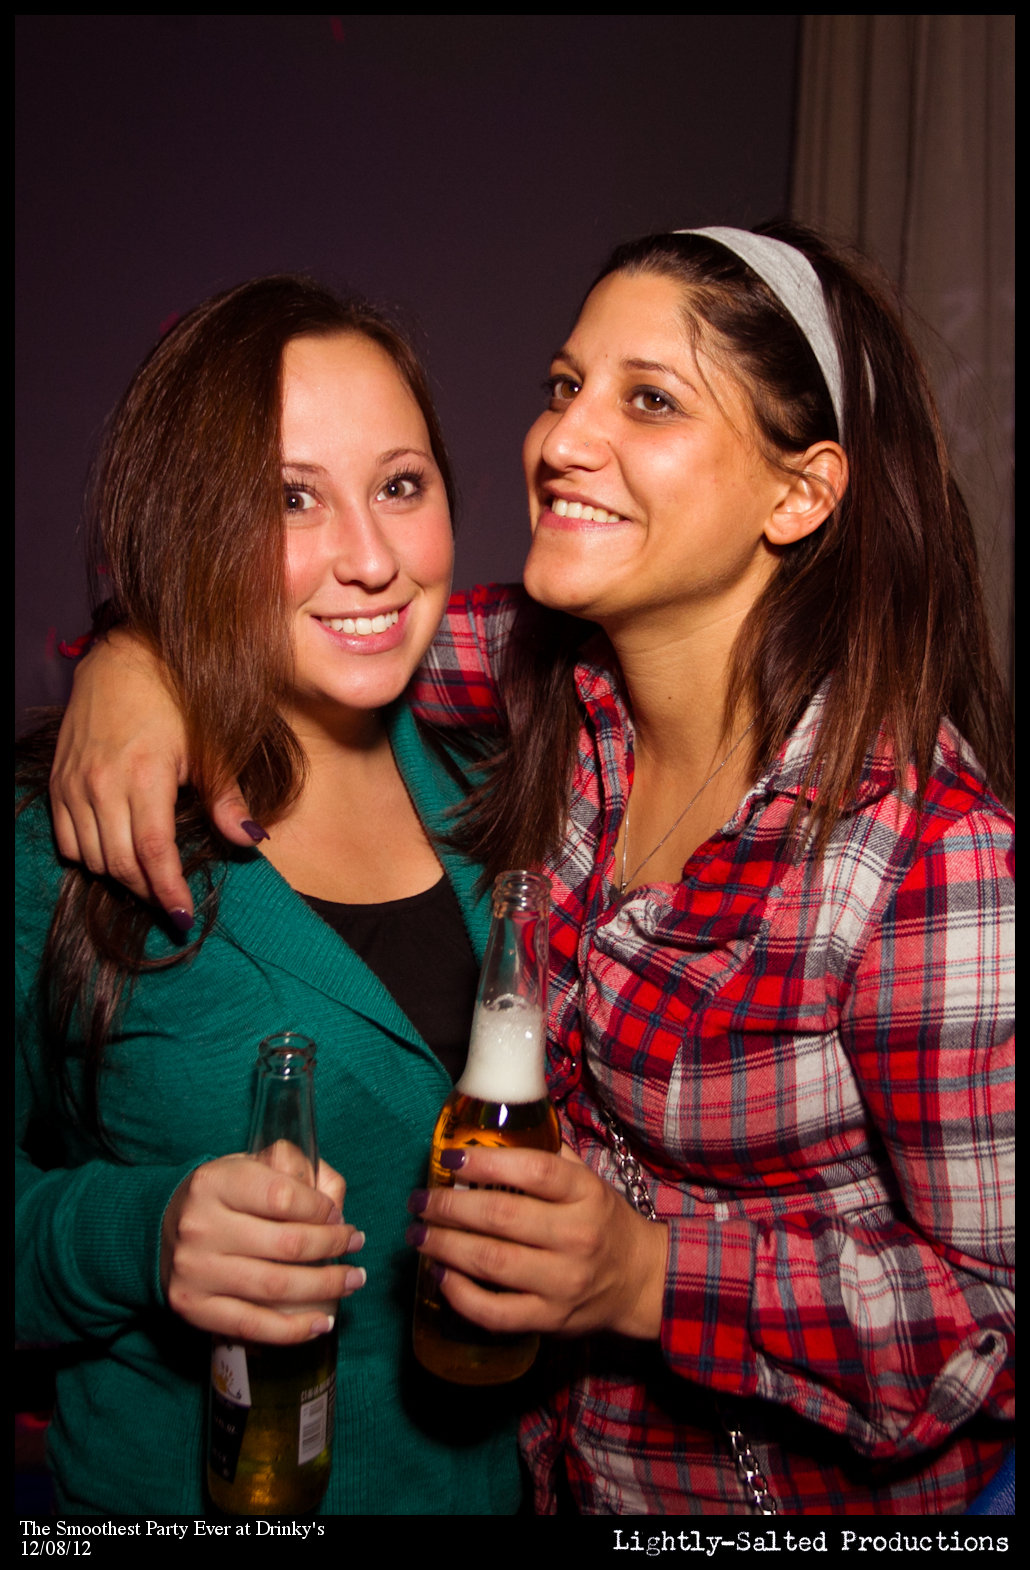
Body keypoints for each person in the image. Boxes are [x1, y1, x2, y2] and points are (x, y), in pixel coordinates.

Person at [46, 224, 1014, 1515]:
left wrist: (651, 1276)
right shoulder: (550, 688)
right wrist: (130, 662)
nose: (560, 439)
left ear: (798, 495)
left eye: (648, 399)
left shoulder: (927, 854)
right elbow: (311, 611)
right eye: (566, 384)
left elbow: (995, 1317)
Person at [16, 276, 522, 1515]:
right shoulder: (67, 833)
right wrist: (144, 1235)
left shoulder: (504, 784)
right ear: (190, 525)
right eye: (290, 499)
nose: (370, 558)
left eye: (400, 485)